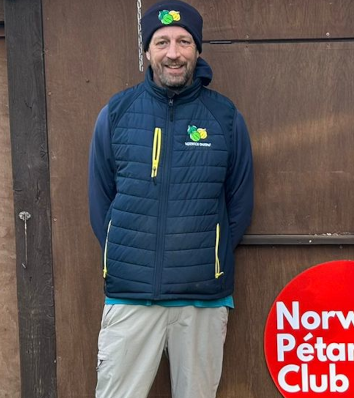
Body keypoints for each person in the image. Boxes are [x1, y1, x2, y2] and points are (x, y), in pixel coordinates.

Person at [87, 1, 253, 396]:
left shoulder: (225, 118)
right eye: (162, 42)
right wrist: (126, 257)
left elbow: (239, 204)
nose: (173, 53)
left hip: (201, 301)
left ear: (197, 50)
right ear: (147, 52)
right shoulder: (117, 113)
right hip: (130, 296)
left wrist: (204, 257)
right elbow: (101, 201)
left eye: (183, 41)